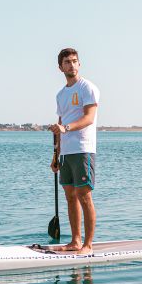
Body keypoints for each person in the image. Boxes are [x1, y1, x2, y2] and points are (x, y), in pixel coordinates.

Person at [49, 48, 100, 254]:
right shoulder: (61, 95)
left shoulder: (87, 88)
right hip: (66, 153)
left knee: (84, 196)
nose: (71, 65)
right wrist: (55, 155)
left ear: (79, 64)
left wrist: (66, 128)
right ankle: (75, 241)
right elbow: (60, 124)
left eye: (74, 61)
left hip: (83, 149)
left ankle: (88, 245)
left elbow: (89, 118)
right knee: (70, 196)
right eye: (67, 62)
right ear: (60, 67)